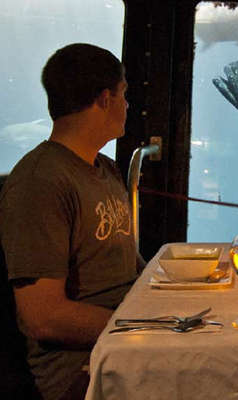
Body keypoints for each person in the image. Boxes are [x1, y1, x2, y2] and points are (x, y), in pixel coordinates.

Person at [0, 43, 142, 400]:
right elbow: (43, 316)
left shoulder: (105, 169)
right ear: (105, 99)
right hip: (81, 371)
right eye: (124, 94)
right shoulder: (40, 182)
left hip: (124, 345)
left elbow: (131, 270)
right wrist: (146, 326)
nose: (128, 105)